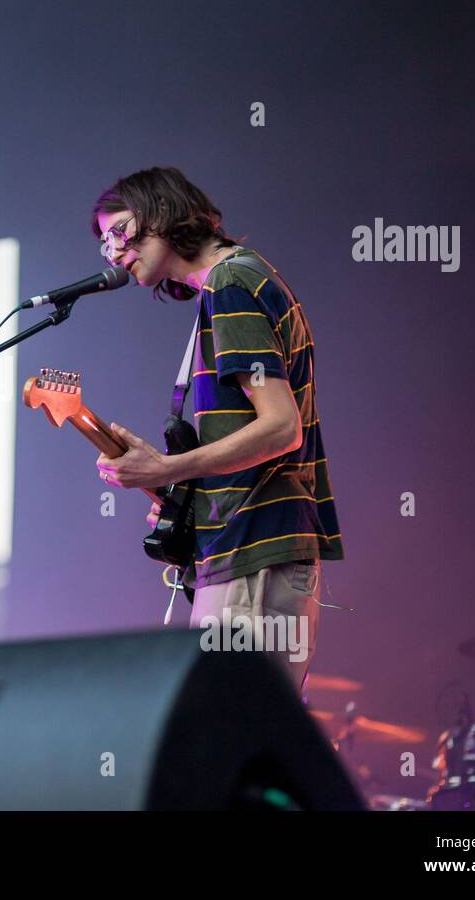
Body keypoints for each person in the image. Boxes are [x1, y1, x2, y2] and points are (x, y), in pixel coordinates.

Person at [91, 167, 343, 691]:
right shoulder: (232, 284)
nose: (113, 253)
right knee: (247, 748)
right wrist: (179, 489)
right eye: (105, 242)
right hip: (250, 545)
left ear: (160, 213)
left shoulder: (231, 283)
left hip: (255, 546)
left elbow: (281, 428)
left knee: (228, 746)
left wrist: (169, 467)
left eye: (119, 232)